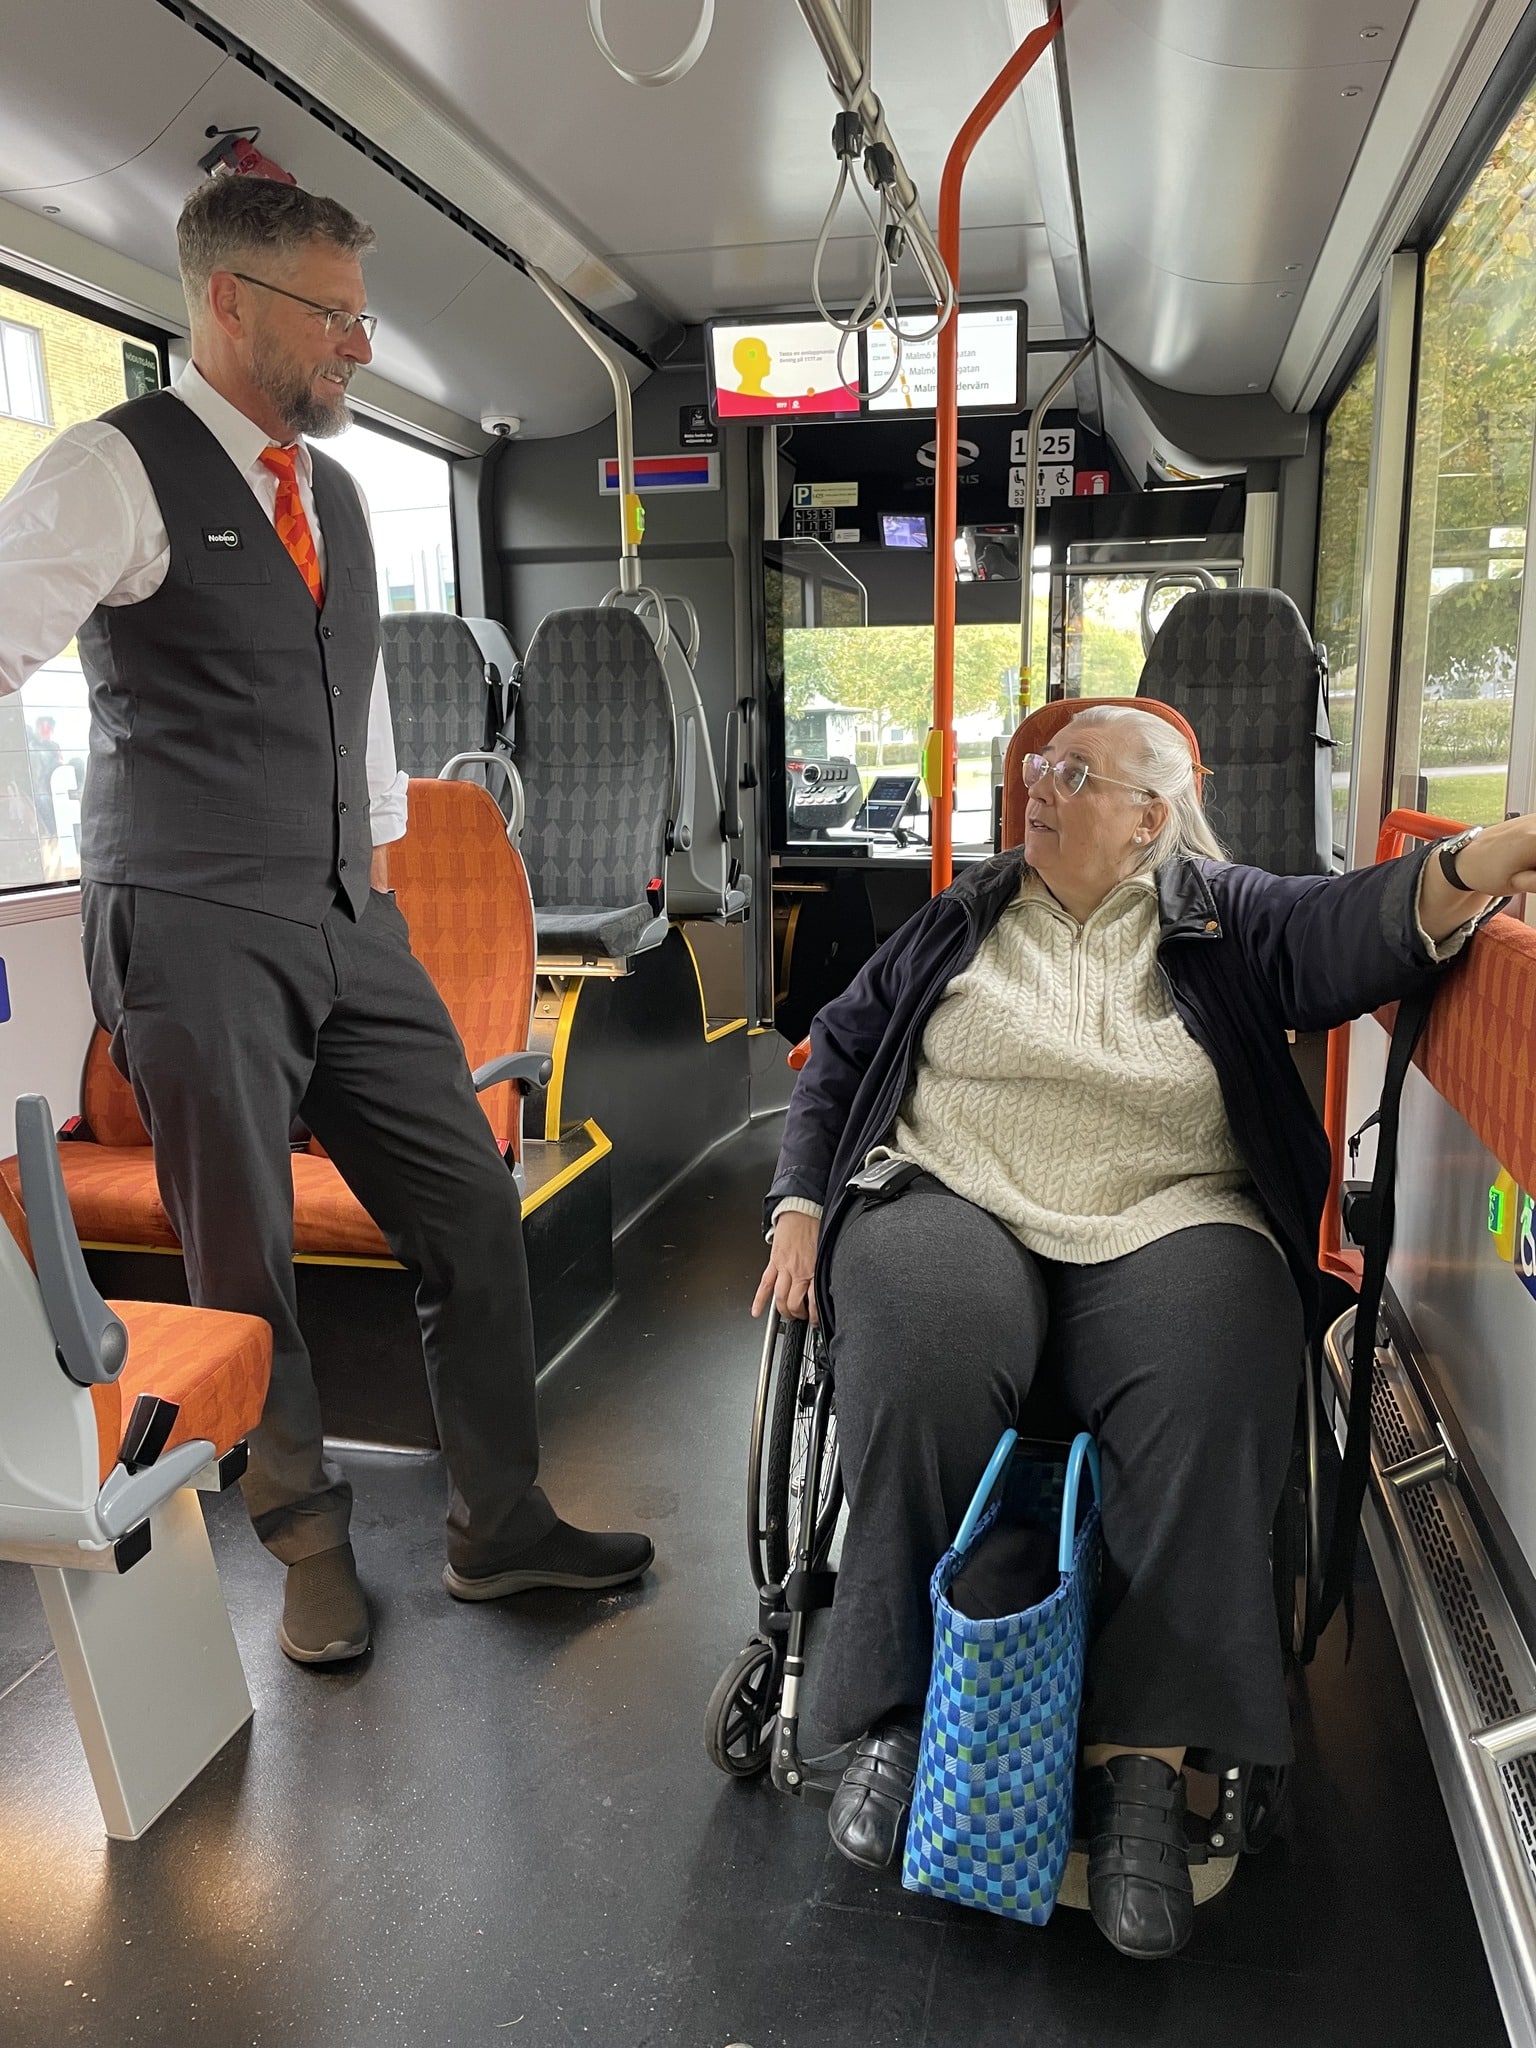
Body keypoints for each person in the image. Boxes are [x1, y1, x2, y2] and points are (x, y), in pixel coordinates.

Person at [755, 702, 1536, 1959]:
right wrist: (799, 1198)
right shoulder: (964, 912)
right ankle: (902, 1708)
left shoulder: (1228, 915)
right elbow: (842, 1043)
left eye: (1074, 774)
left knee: (1223, 1352)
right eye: (1037, 767)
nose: (1037, 785)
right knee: (914, 1339)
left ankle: (1143, 1764)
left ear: (1149, 819)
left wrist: (1485, 856)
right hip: (960, 1190)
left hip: (1171, 1210)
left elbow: (1350, 925)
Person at [0, 173, 653, 1668]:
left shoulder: (335, 496)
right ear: (230, 303)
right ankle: (305, 1544)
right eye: (335, 315)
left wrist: (380, 895)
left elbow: (357, 725)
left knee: (470, 1207)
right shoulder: (113, 469)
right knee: (245, 1258)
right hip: (189, 919)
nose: (362, 344)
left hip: (349, 912)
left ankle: (499, 1524)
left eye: (365, 316)